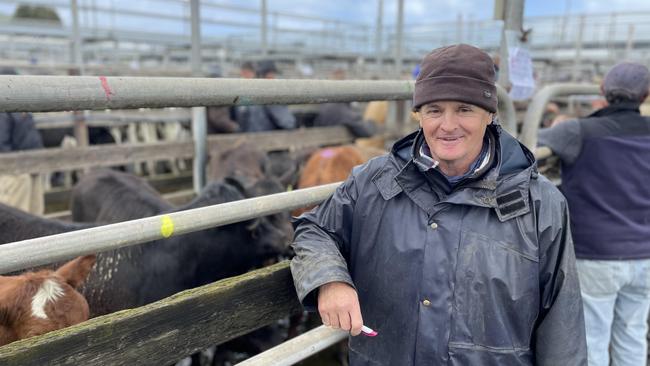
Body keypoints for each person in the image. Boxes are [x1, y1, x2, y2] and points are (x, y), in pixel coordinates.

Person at [290, 44, 587, 365]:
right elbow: (314, 228)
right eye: (433, 110)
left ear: (490, 114)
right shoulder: (373, 182)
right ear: (418, 115)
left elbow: (562, 323)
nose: (447, 125)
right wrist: (331, 279)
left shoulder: (539, 203)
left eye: (464, 109)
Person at [538, 61, 650, 366]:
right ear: (646, 95)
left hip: (595, 255)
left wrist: (556, 124)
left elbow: (534, 142)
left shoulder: (578, 131)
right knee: (633, 333)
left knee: (593, 338)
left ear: (602, 90)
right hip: (644, 254)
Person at [0, 68, 45, 214]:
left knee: (34, 211)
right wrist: (15, 164)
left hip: (32, 165)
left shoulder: (22, 106)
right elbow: (2, 142)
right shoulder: (4, 109)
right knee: (17, 211)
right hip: (15, 171)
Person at [234, 60, 296, 132]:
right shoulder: (269, 94)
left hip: (254, 136)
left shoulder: (249, 92)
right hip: (264, 136)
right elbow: (288, 123)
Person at [312, 70, 377, 138]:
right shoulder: (341, 108)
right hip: (336, 146)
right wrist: (372, 123)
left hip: (324, 144)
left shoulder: (324, 104)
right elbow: (365, 131)